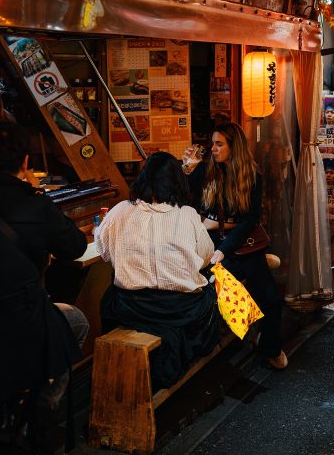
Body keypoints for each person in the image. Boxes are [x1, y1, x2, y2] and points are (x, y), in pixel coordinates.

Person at [0, 123, 88, 451]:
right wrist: (37, 195)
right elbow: (74, 247)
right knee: (76, 324)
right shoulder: (36, 205)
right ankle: (37, 410)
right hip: (25, 324)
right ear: (26, 162)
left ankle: (0, 412)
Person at [96, 152, 220, 389]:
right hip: (180, 309)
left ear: (144, 178)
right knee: (210, 292)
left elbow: (104, 251)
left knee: (108, 296)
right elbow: (205, 257)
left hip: (131, 308)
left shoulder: (120, 211)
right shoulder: (187, 215)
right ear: (177, 181)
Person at [188, 122, 287, 370]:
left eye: (219, 144)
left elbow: (250, 220)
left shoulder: (251, 176)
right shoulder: (205, 171)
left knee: (272, 298)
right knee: (226, 292)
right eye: (213, 143)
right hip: (208, 245)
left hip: (240, 244)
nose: (214, 149)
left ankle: (270, 348)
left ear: (235, 146)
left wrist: (225, 246)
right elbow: (187, 204)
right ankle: (239, 337)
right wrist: (187, 171)